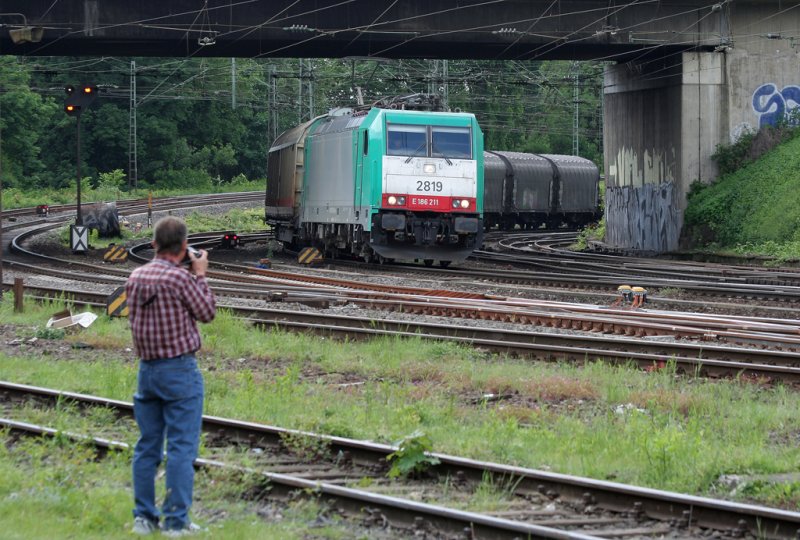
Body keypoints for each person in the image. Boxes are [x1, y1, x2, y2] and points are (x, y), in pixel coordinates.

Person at [126, 216, 216, 536]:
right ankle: (176, 522)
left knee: (147, 445)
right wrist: (200, 275)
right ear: (183, 248)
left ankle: (144, 518)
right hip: (179, 370)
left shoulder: (135, 277)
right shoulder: (181, 280)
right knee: (180, 447)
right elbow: (207, 313)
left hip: (146, 371)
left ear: (153, 245)